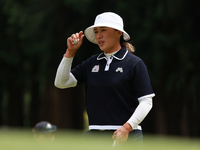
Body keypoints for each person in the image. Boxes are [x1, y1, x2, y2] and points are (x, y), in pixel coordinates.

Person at [54, 12, 155, 146]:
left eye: (103, 30)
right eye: (96, 31)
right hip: (94, 137)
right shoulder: (91, 63)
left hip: (126, 136)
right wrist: (70, 53)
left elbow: (146, 101)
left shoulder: (134, 64)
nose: (99, 35)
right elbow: (61, 82)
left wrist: (127, 127)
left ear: (118, 32)